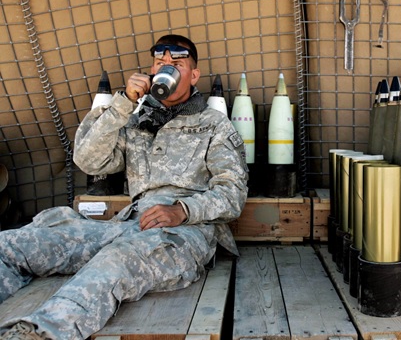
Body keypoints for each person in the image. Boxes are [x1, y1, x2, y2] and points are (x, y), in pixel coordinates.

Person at [0, 34, 248, 340]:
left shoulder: (214, 125)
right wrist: (124, 103)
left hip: (183, 235)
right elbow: (89, 161)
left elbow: (233, 192)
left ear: (194, 75)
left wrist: (182, 211)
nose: (166, 69)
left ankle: (35, 335)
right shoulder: (135, 119)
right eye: (160, 63)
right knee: (12, 245)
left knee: (116, 261)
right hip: (128, 225)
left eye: (178, 64)